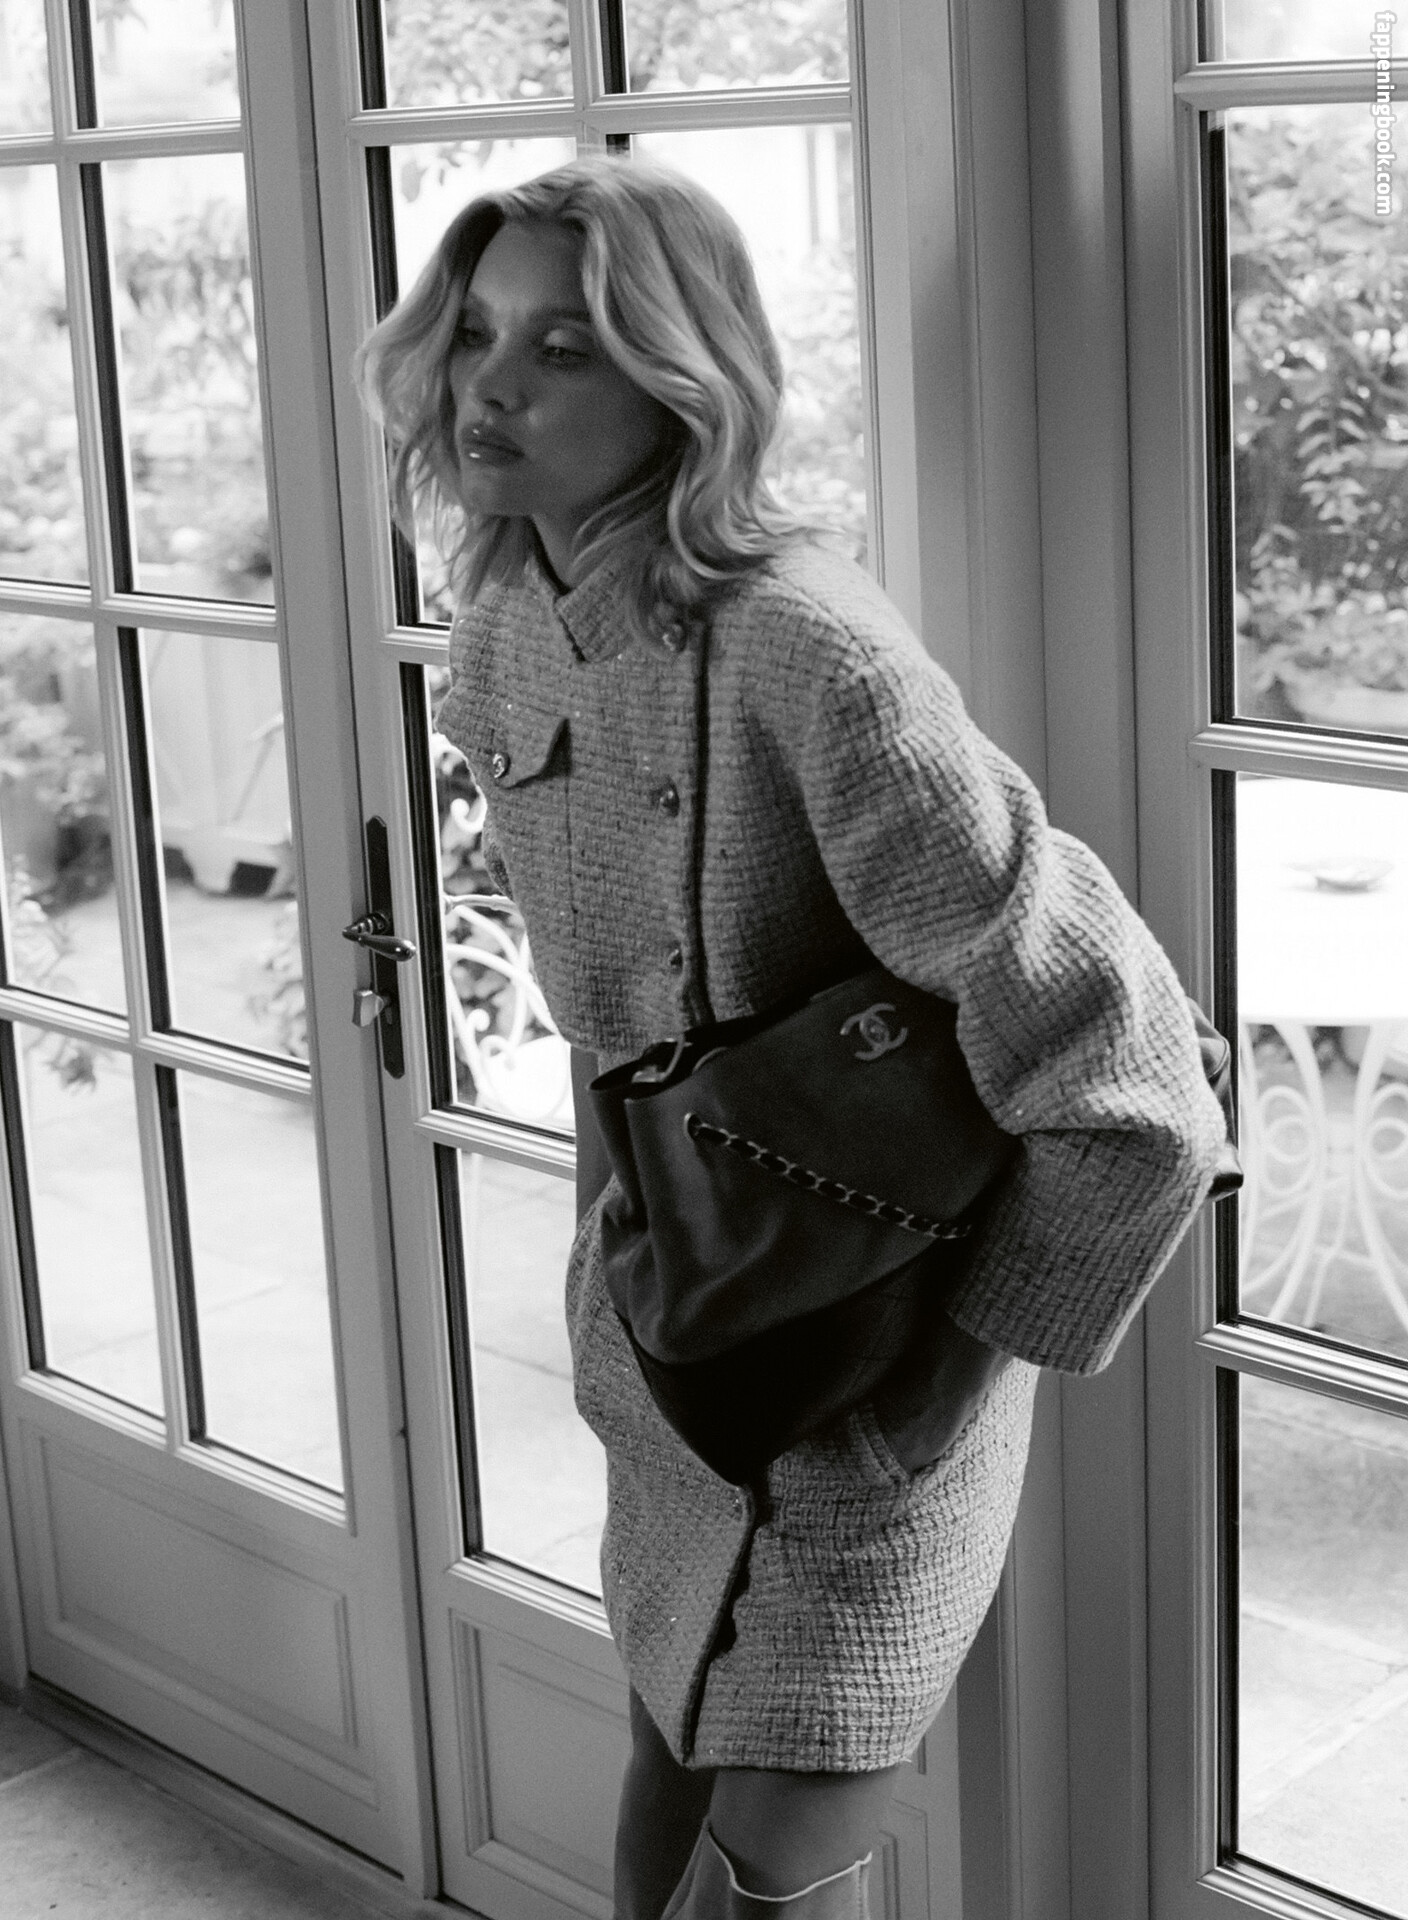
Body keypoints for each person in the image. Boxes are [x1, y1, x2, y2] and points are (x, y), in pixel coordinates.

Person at [358, 156, 1227, 1919]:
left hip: (875, 1368)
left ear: (683, 384)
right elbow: (610, 1029)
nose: (491, 387)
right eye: (475, 336)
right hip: (686, 1339)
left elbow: (1133, 1077)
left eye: (564, 348)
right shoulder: (509, 622)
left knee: (774, 1872)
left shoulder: (813, 655)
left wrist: (937, 1393)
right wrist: (617, 1286)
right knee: (662, 1787)